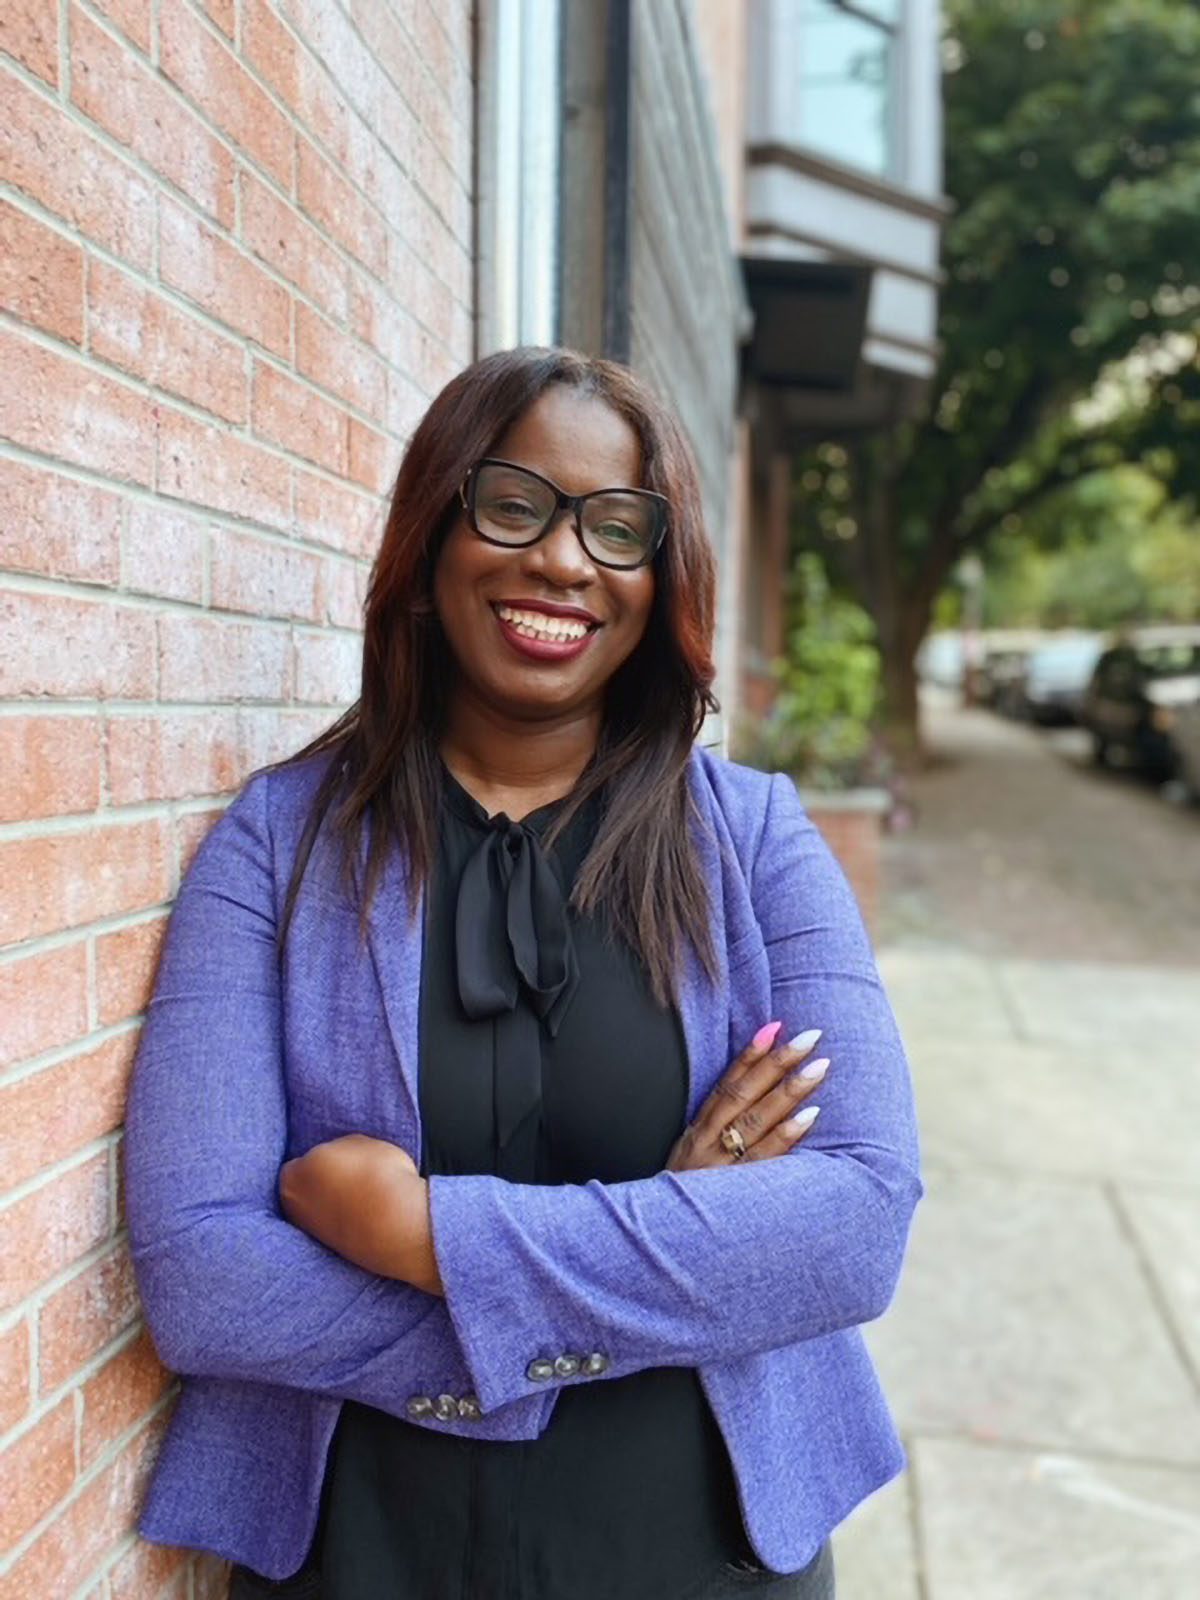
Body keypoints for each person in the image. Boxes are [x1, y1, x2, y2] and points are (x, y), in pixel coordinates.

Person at [124, 346, 922, 1600]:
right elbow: (205, 1279)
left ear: (660, 580)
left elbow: (854, 1224)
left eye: (618, 527)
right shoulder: (276, 845)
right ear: (432, 536)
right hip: (361, 1549)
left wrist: (419, 1230)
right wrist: (672, 1247)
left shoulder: (756, 841)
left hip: (700, 1551)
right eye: (515, 504)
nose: (563, 558)